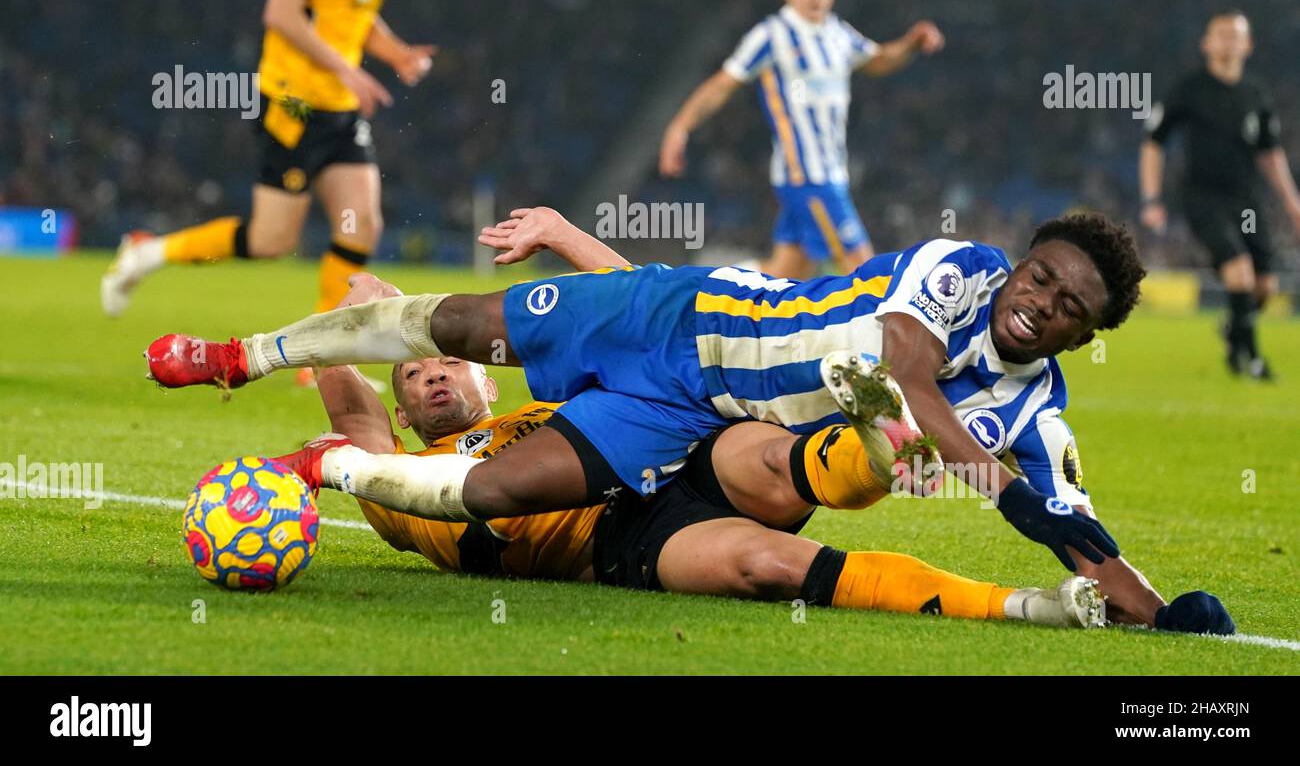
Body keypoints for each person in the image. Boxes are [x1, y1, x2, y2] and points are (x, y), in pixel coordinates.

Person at [148, 208, 1238, 633]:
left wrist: (1152, 610)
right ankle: (238, 356)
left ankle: (332, 468)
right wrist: (966, 463)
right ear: (1021, 258)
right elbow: (907, 366)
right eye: (1041, 274)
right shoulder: (959, 270)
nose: (1037, 300)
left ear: (1081, 334)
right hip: (677, 309)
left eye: (1065, 307)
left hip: (690, 407)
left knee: (495, 492)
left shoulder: (1033, 408)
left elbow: (1068, 517)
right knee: (466, 324)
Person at [102, 0, 436, 338]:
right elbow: (281, 11)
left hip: (340, 108)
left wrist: (395, 54)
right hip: (295, 104)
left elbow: (353, 13)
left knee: (363, 225)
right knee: (270, 240)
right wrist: (348, 69)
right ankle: (149, 251)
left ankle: (327, 355)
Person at [659, 0, 944, 278]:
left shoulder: (837, 33)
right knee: (868, 276)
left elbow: (878, 60)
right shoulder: (771, 35)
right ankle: (694, 293)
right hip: (808, 178)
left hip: (831, 173)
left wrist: (911, 43)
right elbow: (723, 84)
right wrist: (679, 127)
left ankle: (707, 292)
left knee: (783, 275)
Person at [1140, 9, 1300, 379]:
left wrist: (1293, 204)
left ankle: (1233, 330)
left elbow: (1270, 153)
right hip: (1203, 197)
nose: (1228, 41)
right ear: (1206, 44)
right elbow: (1154, 141)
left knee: (1264, 286)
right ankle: (1252, 361)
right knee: (1239, 273)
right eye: (1221, 34)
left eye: (1235, 35)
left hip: (1248, 200)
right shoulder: (1189, 89)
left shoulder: (1255, 94)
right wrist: (1152, 198)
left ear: (1248, 45)